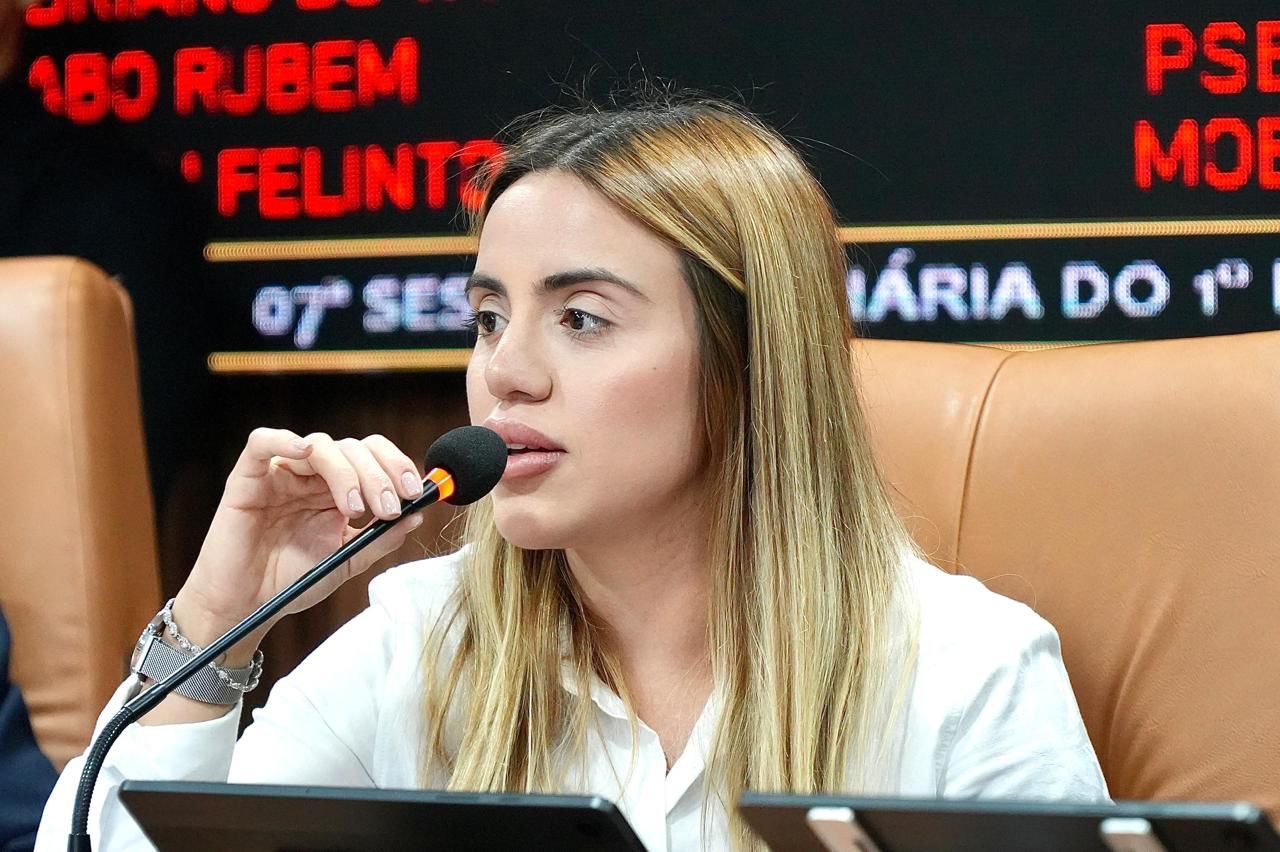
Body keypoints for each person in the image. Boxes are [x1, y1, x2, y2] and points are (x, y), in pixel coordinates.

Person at [37, 94, 1107, 852]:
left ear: (748, 362)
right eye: (487, 318)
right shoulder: (418, 645)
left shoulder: (962, 677)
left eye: (582, 318)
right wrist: (217, 622)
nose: (505, 371)